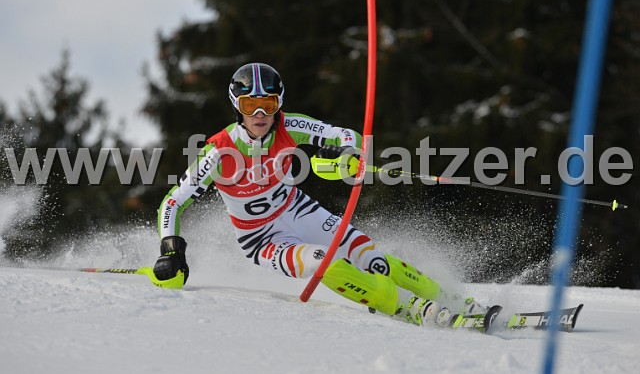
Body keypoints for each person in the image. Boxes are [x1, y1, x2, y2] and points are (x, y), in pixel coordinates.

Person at [151, 62, 483, 327]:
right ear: (237, 106)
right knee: (321, 260)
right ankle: (407, 307)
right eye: (250, 105)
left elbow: (345, 135)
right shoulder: (218, 151)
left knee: (370, 256)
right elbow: (173, 202)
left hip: (300, 211)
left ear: (279, 103)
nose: (260, 115)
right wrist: (171, 249)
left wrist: (346, 155)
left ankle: (453, 301)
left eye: (268, 104)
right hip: (261, 238)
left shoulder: (289, 126)